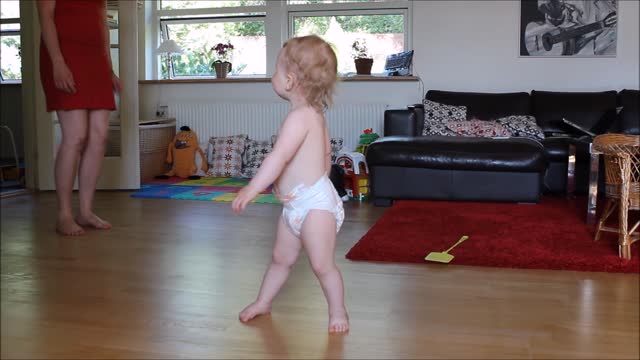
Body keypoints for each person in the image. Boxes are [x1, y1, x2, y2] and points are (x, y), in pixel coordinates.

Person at [231, 35, 348, 333]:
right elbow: (320, 155)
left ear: (290, 81)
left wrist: (252, 187)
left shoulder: (301, 118)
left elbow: (278, 157)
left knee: (322, 266)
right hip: (296, 204)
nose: (273, 76)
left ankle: (338, 313)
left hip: (315, 206)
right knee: (281, 259)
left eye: (275, 70)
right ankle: (263, 302)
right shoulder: (310, 114)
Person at [37, 0, 120, 236]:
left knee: (100, 136)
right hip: (64, 56)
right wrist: (58, 62)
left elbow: (102, 22)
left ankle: (85, 211)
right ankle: (64, 214)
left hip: (95, 59)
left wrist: (110, 68)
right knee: (75, 136)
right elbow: (46, 17)